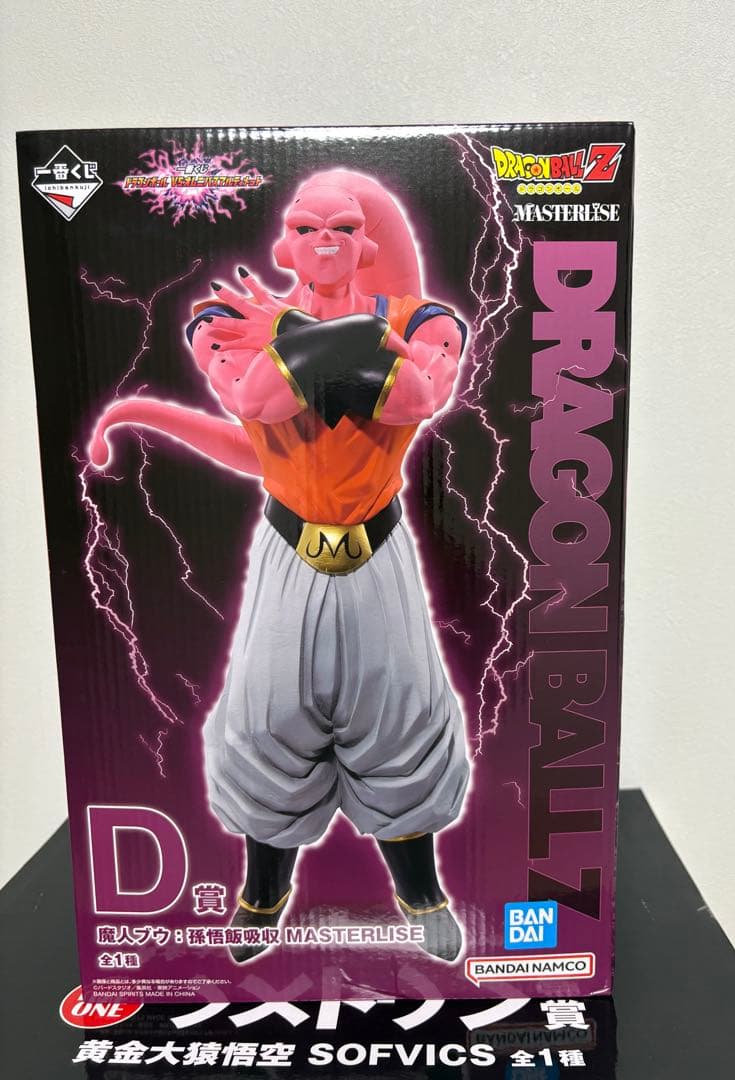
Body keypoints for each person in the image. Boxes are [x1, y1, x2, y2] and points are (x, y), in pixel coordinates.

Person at [90, 169, 470, 963]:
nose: (325, 243)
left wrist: (293, 336)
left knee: (402, 720)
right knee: (266, 722)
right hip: (287, 552)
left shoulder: (429, 319)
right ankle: (263, 893)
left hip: (379, 552)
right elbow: (257, 401)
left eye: (343, 228)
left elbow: (414, 399)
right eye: (307, 228)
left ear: (366, 243)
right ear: (285, 243)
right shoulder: (224, 319)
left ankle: (420, 891)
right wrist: (344, 345)